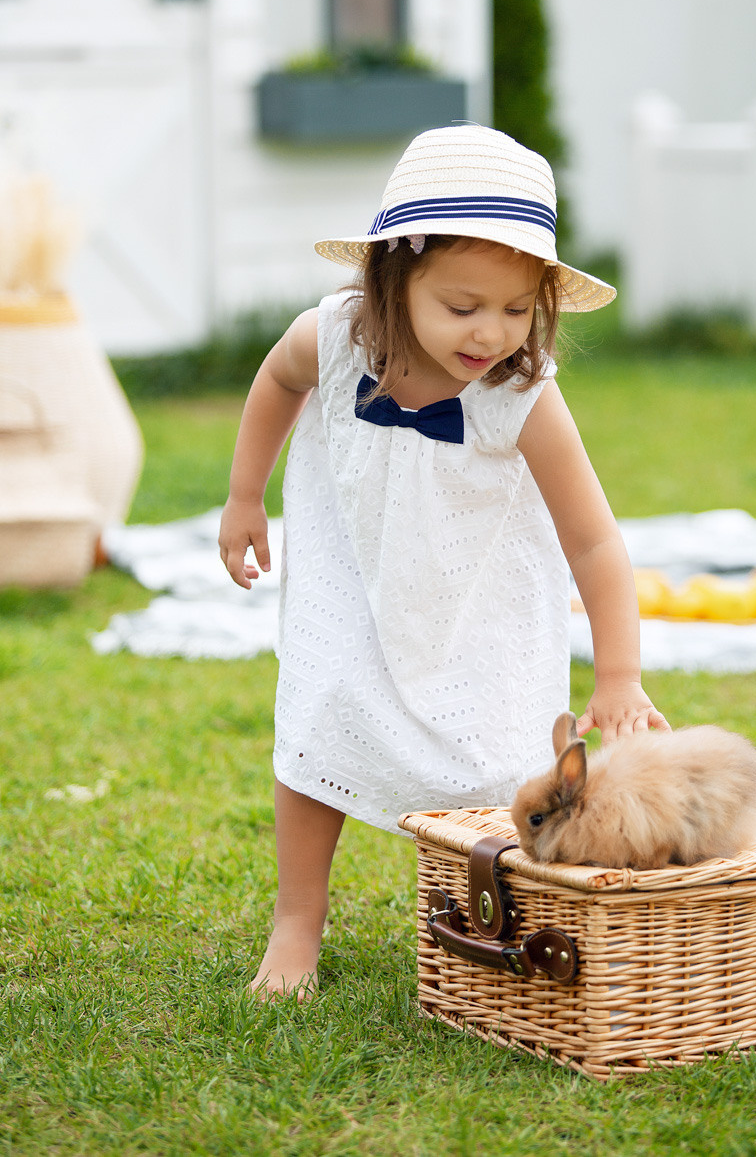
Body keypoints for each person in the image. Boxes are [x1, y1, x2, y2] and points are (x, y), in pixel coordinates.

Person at [219, 124, 668, 999]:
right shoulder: (333, 334)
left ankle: (505, 920)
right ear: (396, 275)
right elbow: (277, 381)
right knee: (320, 719)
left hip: (477, 602)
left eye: (514, 310)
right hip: (354, 575)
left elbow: (595, 540)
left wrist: (618, 673)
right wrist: (245, 494)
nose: (490, 332)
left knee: (499, 765)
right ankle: (297, 921)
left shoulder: (520, 396)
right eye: (463, 307)